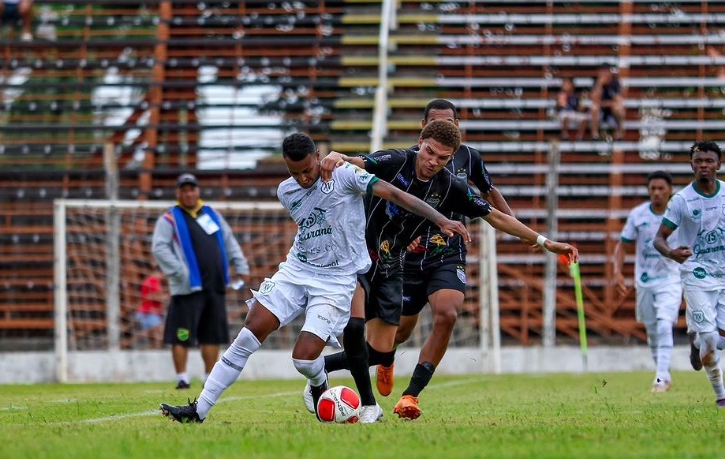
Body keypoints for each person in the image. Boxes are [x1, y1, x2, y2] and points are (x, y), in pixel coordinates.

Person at [159, 132, 471, 424]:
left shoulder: (345, 175)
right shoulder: (286, 191)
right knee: (247, 335)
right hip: (296, 271)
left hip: (336, 280)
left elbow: (393, 193)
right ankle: (198, 410)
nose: (304, 178)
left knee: (304, 360)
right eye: (295, 173)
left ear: (318, 156)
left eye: (308, 169)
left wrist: (441, 219)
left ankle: (320, 384)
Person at [313, 120, 579, 421]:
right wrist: (339, 156)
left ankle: (321, 367)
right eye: (429, 153)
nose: (433, 162)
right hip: (357, 259)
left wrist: (545, 242)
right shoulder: (398, 160)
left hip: (390, 266)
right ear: (420, 141)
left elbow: (497, 218)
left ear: (452, 158)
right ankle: (363, 405)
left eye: (443, 158)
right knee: (356, 328)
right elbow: (359, 161)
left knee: (379, 353)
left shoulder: (450, 186)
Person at [379, 99, 516, 418]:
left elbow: (488, 190)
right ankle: (385, 358)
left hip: (448, 253)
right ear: (422, 129)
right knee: (399, 331)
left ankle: (411, 395)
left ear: (458, 126)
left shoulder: (469, 157)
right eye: (436, 123)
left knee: (448, 313)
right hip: (408, 257)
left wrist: (514, 225)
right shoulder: (407, 160)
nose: (445, 128)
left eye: (450, 122)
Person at [152, 173, 250, 389]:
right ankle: (182, 378)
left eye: (192, 189)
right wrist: (179, 272)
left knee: (211, 334)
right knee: (182, 332)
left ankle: (209, 377)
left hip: (214, 285)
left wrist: (241, 266)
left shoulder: (211, 214)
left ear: (198, 191)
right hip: (188, 288)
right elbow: (159, 247)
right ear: (178, 193)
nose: (188, 194)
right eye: (184, 190)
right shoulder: (170, 219)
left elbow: (229, 240)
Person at [653, 141, 725, 407]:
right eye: (698, 161)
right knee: (710, 336)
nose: (703, 165)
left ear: (719, 163)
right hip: (696, 274)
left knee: (719, 342)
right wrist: (672, 253)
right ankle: (721, 395)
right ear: (691, 164)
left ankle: (694, 341)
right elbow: (659, 239)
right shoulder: (682, 200)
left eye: (709, 160)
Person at [613, 171, 681, 392]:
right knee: (652, 330)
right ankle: (665, 374)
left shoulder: (680, 213)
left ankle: (660, 378)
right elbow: (622, 245)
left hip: (671, 278)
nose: (657, 193)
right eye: (653, 189)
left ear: (670, 190)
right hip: (644, 280)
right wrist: (617, 272)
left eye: (662, 189)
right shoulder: (638, 214)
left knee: (664, 324)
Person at [589, 64, 625, 141]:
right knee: (594, 108)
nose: (604, 73)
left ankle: (619, 133)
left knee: (618, 108)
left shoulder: (615, 83)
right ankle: (595, 135)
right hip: (600, 111)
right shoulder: (596, 82)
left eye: (606, 71)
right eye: (602, 71)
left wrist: (605, 103)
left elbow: (618, 100)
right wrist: (600, 84)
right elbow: (594, 98)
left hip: (611, 111)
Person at [135, 264, 166, 349]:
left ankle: (155, 351)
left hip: (147, 313)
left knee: (155, 335)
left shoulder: (148, 280)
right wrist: (165, 297)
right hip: (148, 313)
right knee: (158, 334)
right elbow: (153, 296)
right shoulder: (153, 280)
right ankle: (157, 353)